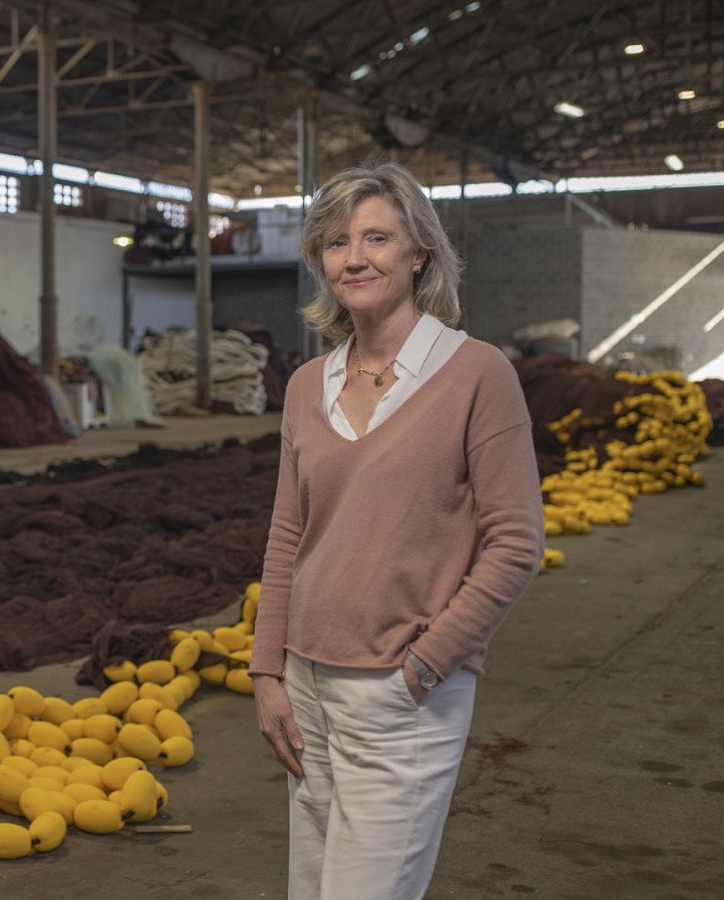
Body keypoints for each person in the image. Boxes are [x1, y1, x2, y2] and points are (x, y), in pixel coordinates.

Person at [248, 162, 544, 900]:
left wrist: (429, 662)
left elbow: (516, 541)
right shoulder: (305, 384)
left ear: (418, 254)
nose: (356, 257)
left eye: (377, 237)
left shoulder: (476, 373)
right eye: (338, 241)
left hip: (402, 694)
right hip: (307, 686)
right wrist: (265, 671)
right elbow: (288, 534)